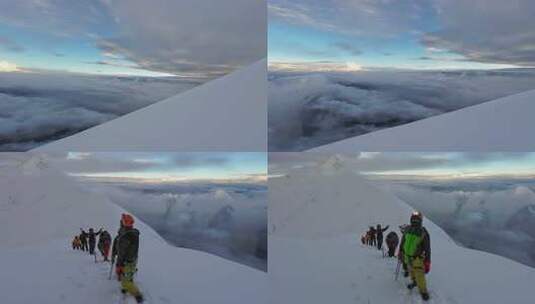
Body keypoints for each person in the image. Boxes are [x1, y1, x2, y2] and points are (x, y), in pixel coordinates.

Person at [399, 212, 431, 301]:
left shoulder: (423, 232)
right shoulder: (407, 229)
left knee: (419, 274)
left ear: (420, 220)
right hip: (407, 256)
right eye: (413, 219)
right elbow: (403, 241)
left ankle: (423, 291)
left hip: (417, 258)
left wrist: (427, 261)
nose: (415, 220)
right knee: (411, 271)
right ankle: (414, 282)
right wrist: (400, 251)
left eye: (417, 219)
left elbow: (427, 248)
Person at [112, 214, 143, 303]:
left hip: (127, 261)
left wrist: (119, 264)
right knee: (129, 274)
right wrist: (123, 219)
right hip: (133, 259)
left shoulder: (125, 237)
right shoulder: (134, 233)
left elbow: (121, 253)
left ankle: (138, 295)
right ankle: (125, 289)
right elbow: (124, 228)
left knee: (126, 280)